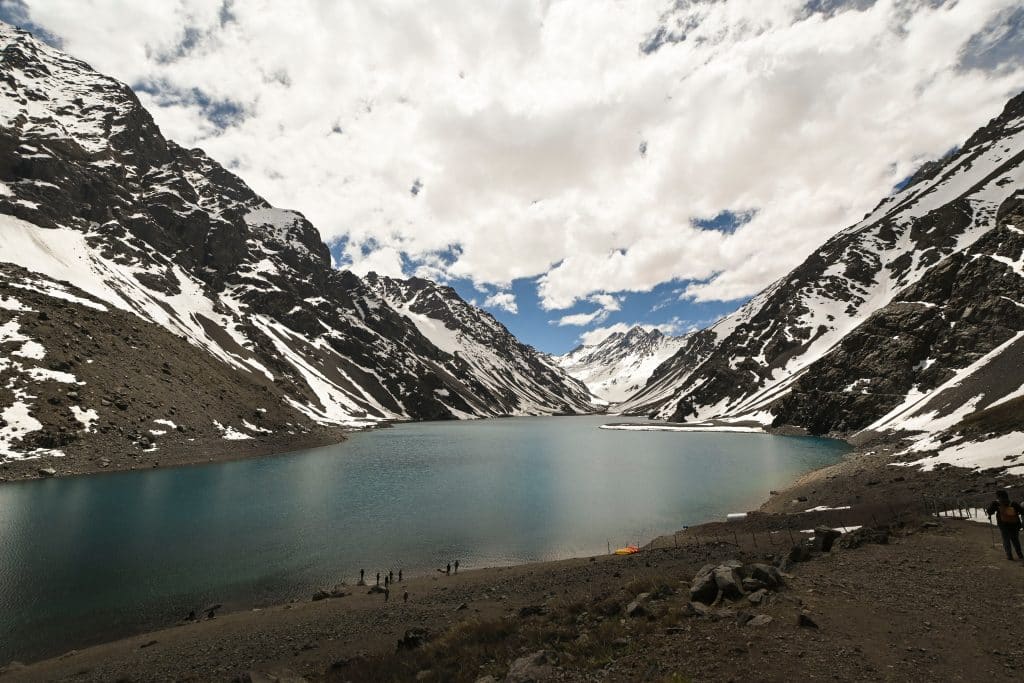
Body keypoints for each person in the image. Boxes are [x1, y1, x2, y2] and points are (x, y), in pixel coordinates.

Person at [987, 490, 1024, 560]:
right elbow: (1022, 511)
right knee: (1015, 540)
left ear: (998, 496)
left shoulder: (996, 504)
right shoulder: (1013, 503)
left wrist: (991, 506)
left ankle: (1009, 555)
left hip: (1003, 525)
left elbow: (989, 511)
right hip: (1014, 524)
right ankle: (1020, 555)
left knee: (1006, 540)